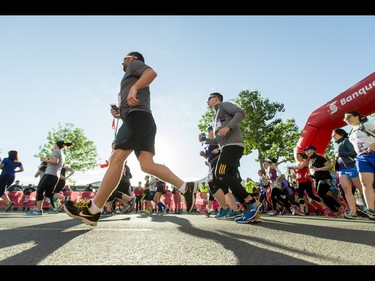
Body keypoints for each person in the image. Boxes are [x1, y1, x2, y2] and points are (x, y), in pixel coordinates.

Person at [64, 51, 197, 226]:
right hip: (141, 119)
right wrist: (120, 113)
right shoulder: (131, 74)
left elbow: (151, 73)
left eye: (124, 59)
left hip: (138, 117)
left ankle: (93, 210)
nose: (122, 63)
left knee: (116, 158)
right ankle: (185, 187)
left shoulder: (134, 65)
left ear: (132, 58)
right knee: (146, 164)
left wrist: (134, 88)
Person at [201, 92, 262, 224]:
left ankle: (252, 202)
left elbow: (240, 113)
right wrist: (205, 139)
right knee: (228, 178)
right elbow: (218, 139)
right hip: (226, 146)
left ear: (216, 99)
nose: (207, 101)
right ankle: (251, 211)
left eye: (209, 98)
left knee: (220, 173)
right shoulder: (216, 115)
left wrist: (228, 127)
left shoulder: (223, 105)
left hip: (233, 145)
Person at [27, 141, 72, 215]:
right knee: (48, 194)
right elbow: (61, 165)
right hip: (55, 176)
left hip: (50, 174)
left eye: (54, 144)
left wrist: (45, 160)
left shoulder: (56, 151)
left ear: (56, 145)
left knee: (39, 190)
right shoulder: (62, 154)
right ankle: (64, 198)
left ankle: (39, 210)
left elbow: (55, 161)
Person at [344, 111, 375, 220]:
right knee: (366, 184)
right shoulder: (351, 132)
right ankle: (372, 210)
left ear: (357, 116)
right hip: (361, 158)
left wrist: (373, 145)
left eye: (348, 116)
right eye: (344, 119)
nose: (346, 119)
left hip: (374, 154)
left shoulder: (367, 125)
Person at [332, 128, 364, 219]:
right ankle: (353, 211)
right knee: (347, 191)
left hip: (351, 167)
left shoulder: (346, 141)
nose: (332, 136)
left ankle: (370, 208)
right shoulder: (337, 145)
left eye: (334, 134)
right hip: (342, 169)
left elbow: (354, 152)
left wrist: (341, 153)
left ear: (341, 134)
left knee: (361, 189)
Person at [304, 145, 343, 216]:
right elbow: (315, 171)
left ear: (312, 150)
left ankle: (337, 209)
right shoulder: (310, 160)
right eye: (305, 150)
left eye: (307, 150)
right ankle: (338, 208)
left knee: (320, 194)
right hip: (317, 179)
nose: (305, 151)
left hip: (324, 178)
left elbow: (329, 166)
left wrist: (318, 169)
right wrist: (310, 175)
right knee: (323, 194)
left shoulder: (319, 158)